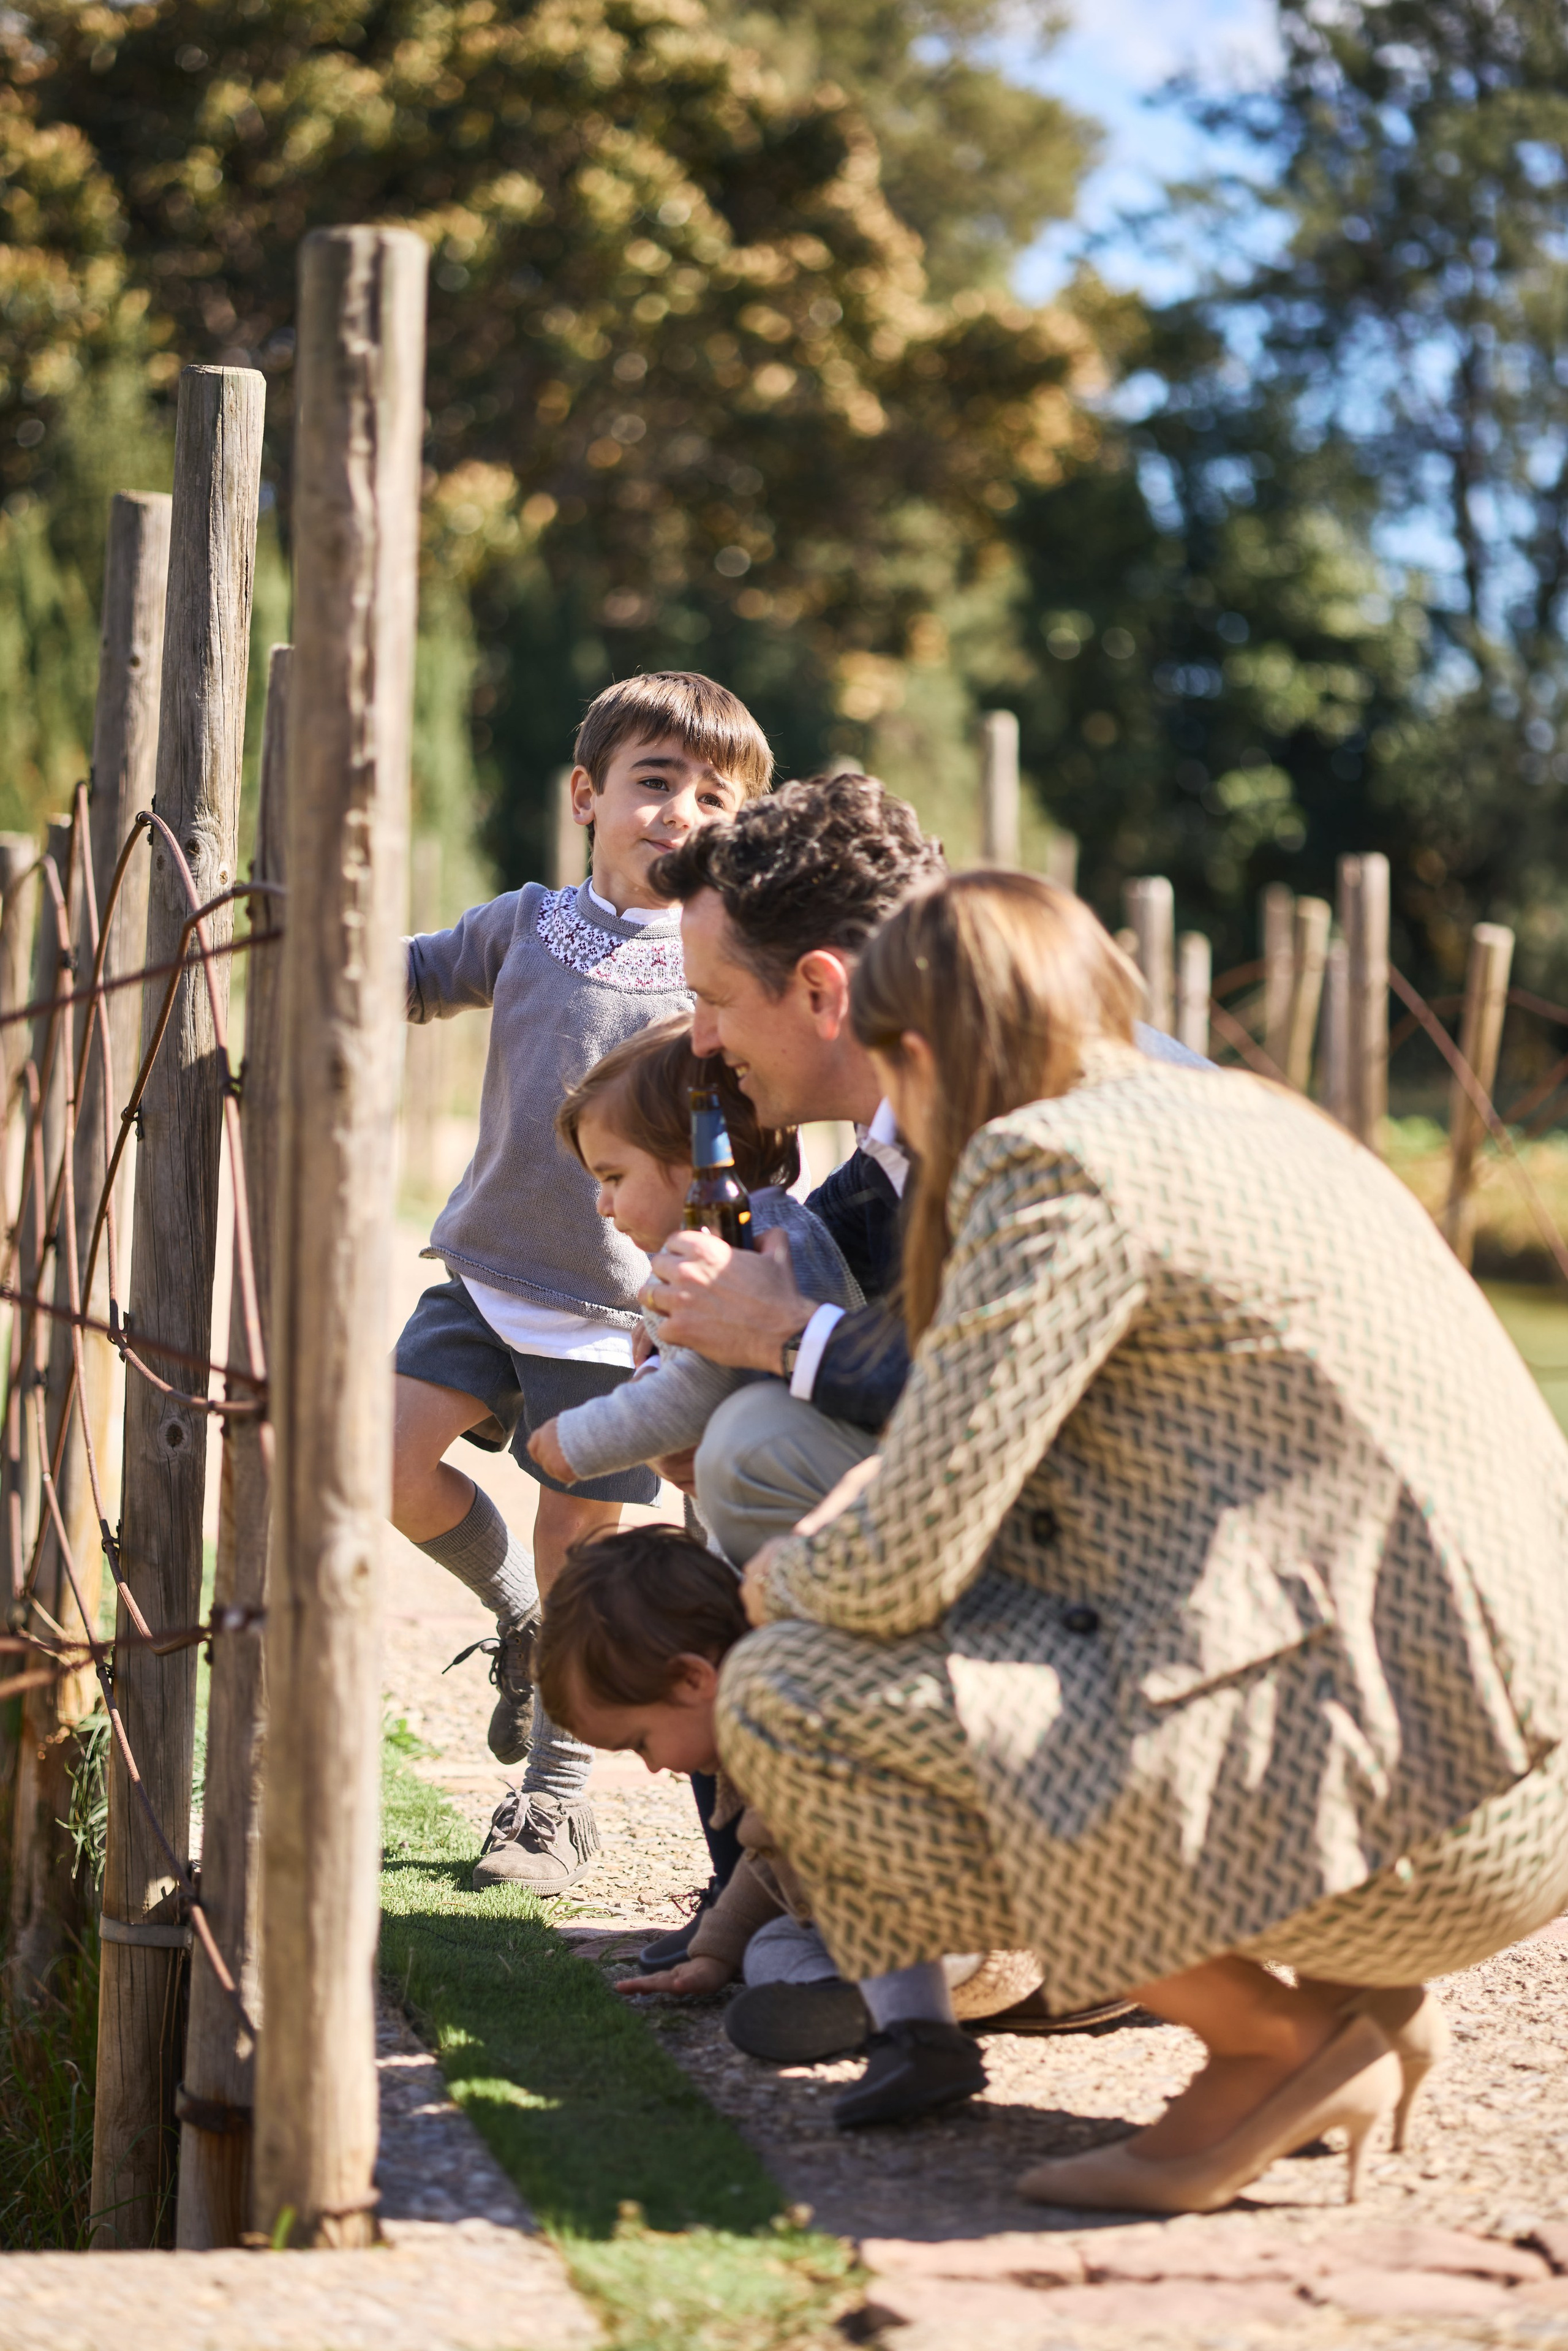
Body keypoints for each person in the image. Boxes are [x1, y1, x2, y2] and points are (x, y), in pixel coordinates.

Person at [716, 869, 1568, 2186]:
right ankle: (1356, 1998)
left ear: (920, 1052)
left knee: (788, 1692)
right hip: (1520, 1775)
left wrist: (782, 1573)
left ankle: (1274, 2042)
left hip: (1422, 1833)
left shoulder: (1045, 1159)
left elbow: (900, 1561)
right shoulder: (1250, 1115)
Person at [391, 673, 772, 1892]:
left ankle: (551, 1803)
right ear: (586, 797)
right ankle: (514, 1620)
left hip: (617, 1310)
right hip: (487, 1271)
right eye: (654, 782)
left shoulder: (714, 963)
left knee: (580, 1548)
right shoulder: (521, 925)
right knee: (388, 1468)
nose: (680, 812)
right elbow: (403, 979)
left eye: (714, 796)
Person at [640, 772, 1207, 1568]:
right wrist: (699, 1343)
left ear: (818, 991)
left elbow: (1007, 1384)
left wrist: (783, 1335)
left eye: (715, 1000)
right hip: (1150, 1497)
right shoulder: (915, 1112)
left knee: (755, 1446)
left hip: (1202, 1533)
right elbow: (834, 1250)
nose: (701, 1037)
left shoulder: (1028, 1114)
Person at [533, 1521, 1052, 2063]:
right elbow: (767, 1858)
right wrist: (714, 1954)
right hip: (887, 1943)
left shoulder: (796, 1726)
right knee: (771, 1947)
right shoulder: (753, 1736)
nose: (654, 1766)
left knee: (871, 1934)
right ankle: (849, 2001)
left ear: (692, 1679)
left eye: (642, 1742)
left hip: (978, 1939)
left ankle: (903, 2017)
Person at [527, 1014, 862, 1492]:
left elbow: (702, 1387)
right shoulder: (789, 1225)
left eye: (615, 1177)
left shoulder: (736, 1250)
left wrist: (579, 1439)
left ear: (695, 1158)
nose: (603, 1205)